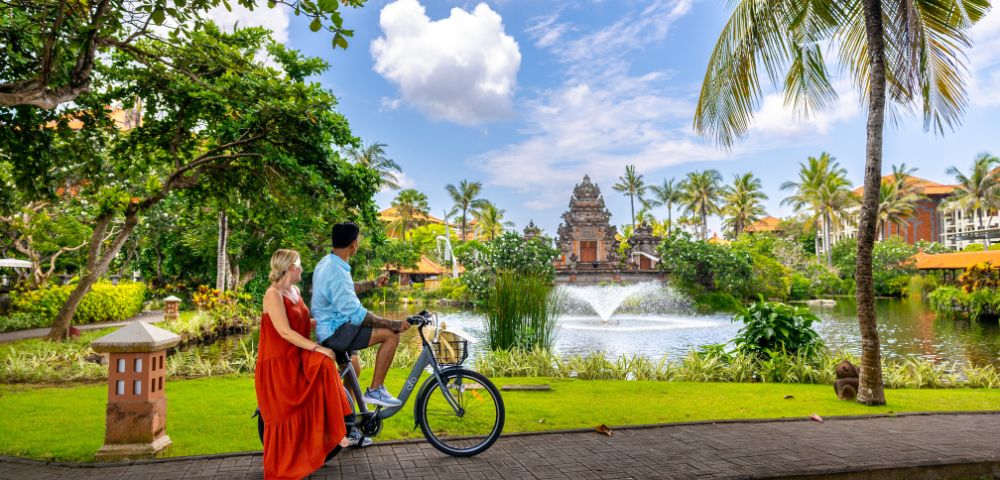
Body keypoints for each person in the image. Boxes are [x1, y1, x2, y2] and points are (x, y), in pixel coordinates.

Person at [255, 249, 352, 480]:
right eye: (299, 264)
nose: (301, 268)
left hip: (298, 354)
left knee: (326, 366)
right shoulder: (273, 294)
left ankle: (336, 429)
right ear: (289, 267)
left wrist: (336, 320)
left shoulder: (295, 291)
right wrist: (319, 348)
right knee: (325, 360)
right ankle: (337, 431)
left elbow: (301, 322)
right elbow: (285, 332)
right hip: (279, 362)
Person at [313, 222, 410, 409]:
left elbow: (349, 289)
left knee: (354, 370)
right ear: (353, 244)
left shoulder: (330, 263)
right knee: (391, 335)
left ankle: (347, 421)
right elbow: (357, 315)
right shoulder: (337, 271)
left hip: (330, 328)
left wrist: (372, 284)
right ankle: (375, 389)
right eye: (358, 240)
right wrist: (392, 323)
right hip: (336, 331)